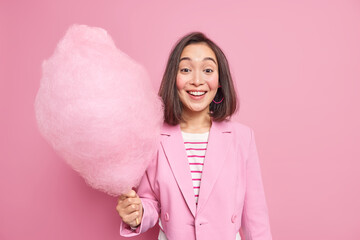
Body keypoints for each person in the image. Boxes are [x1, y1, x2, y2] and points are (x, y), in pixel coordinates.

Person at [116, 32, 272, 240]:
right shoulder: (154, 138)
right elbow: (150, 201)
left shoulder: (242, 138)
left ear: (219, 82)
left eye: (207, 70)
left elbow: (255, 218)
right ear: (174, 79)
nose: (197, 81)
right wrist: (138, 213)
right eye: (186, 69)